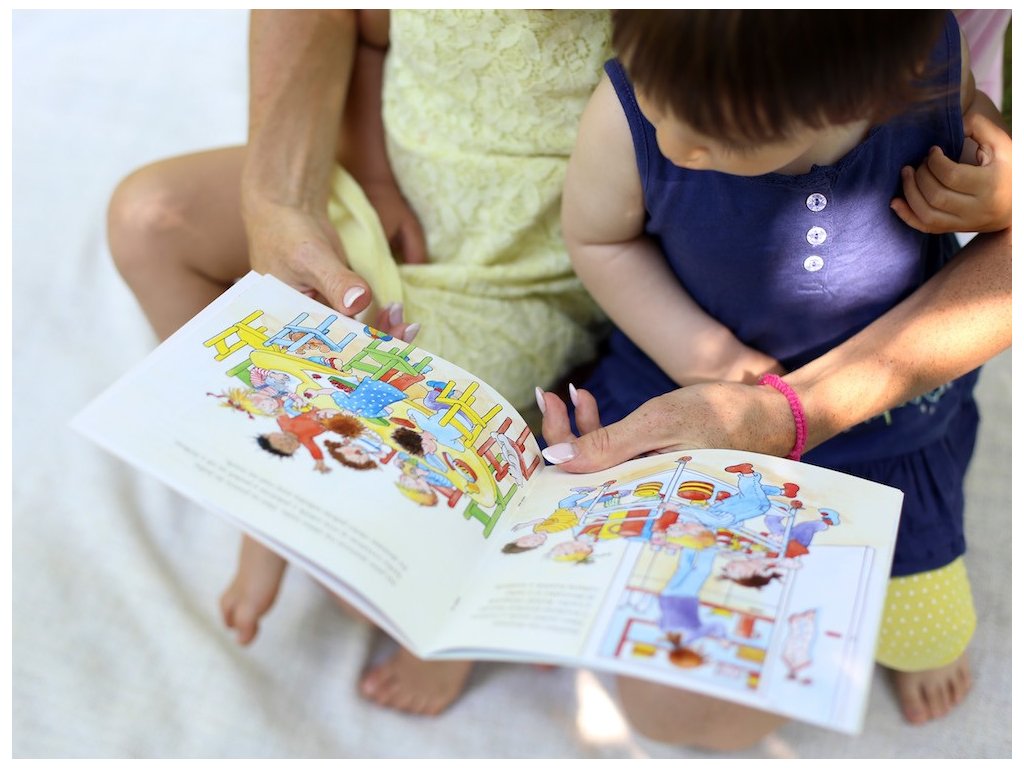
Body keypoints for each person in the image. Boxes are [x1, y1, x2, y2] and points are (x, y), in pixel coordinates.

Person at [106, 10, 613, 716]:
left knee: (400, 472)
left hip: (520, 269)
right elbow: (371, 38)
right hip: (395, 195)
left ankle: (437, 622)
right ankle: (265, 488)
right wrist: (373, 176)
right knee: (148, 222)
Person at [537, 10, 1011, 749]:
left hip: (881, 432)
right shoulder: (634, 106)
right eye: (656, 99)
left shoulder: (928, 76)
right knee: (657, 645)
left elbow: (980, 133)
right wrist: (707, 357)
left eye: (721, 134)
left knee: (927, 635)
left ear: (858, 98)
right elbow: (600, 240)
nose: (675, 144)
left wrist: (998, 193)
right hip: (683, 391)